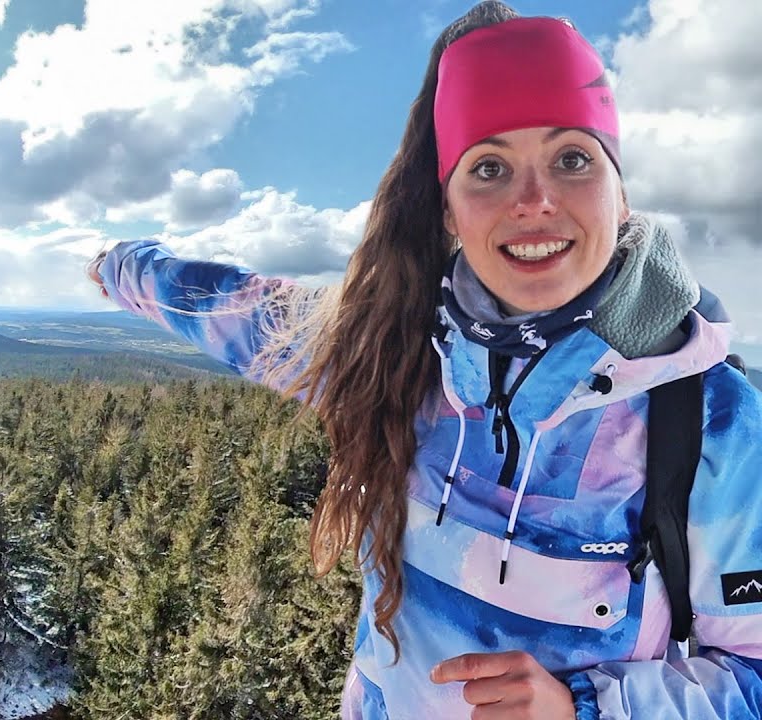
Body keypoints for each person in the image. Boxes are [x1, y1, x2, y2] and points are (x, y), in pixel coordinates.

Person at [86, 3, 762, 718]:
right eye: (490, 168)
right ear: (448, 211)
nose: (534, 201)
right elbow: (227, 308)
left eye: (572, 159)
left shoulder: (709, 421)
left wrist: (584, 707)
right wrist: (118, 265)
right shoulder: (390, 352)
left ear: (619, 193)